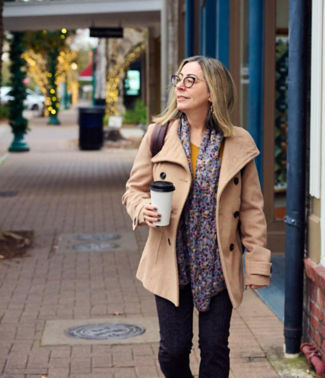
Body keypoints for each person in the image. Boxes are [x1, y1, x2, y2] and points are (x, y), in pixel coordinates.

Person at [122, 55, 271, 378]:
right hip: (170, 261)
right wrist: (141, 208)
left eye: (192, 80)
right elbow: (133, 189)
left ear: (213, 92)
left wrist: (258, 263)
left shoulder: (237, 142)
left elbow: (251, 209)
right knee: (173, 351)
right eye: (179, 78)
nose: (181, 86)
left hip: (218, 264)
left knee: (215, 349)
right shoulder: (158, 136)